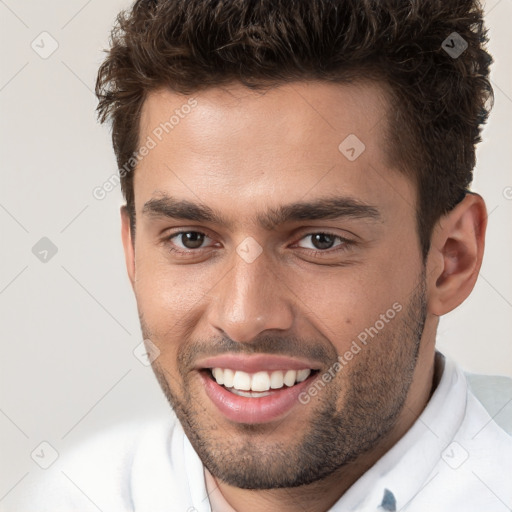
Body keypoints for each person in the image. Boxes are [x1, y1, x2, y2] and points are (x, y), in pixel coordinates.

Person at [18, 0, 512, 510]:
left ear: (451, 259)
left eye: (321, 241)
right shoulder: (73, 495)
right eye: (191, 239)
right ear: (134, 254)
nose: (244, 317)